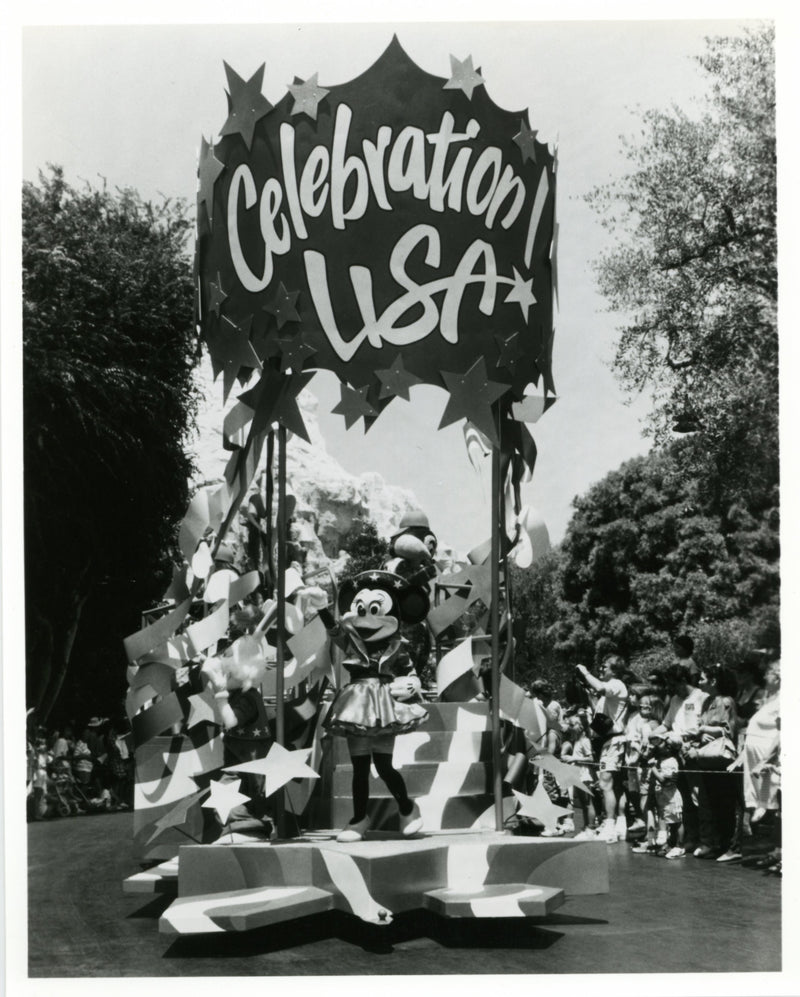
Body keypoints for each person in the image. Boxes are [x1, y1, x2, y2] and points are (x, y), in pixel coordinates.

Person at [685, 666, 739, 859]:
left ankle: (726, 844)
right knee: (708, 800)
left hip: (720, 758)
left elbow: (728, 729)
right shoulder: (707, 701)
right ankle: (711, 842)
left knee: (724, 801)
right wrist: (701, 735)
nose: (699, 682)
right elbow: (701, 726)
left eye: (702, 679)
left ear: (713, 681)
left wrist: (705, 731)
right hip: (705, 756)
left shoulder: (726, 702)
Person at [576, 656, 629, 843]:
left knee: (605, 783)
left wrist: (585, 672)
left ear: (614, 670)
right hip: (605, 740)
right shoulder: (607, 693)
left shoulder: (616, 684)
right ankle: (619, 824)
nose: (601, 669)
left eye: (604, 667)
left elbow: (600, 687)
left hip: (614, 740)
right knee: (614, 786)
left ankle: (610, 825)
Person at [658, 663, 708, 855]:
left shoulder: (701, 697)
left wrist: (689, 741)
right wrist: (654, 735)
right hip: (675, 752)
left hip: (693, 750)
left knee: (698, 798)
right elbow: (666, 724)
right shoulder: (674, 700)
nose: (672, 689)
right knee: (684, 799)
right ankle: (690, 838)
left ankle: (705, 840)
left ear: (683, 680)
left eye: (674, 684)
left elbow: (702, 727)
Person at [632, 731, 684, 858]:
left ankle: (680, 846)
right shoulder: (662, 759)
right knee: (668, 820)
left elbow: (664, 781)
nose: (660, 746)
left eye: (664, 744)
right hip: (662, 796)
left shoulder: (671, 761)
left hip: (671, 797)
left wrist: (653, 767)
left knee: (676, 822)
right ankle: (669, 845)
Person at [561, 713, 596, 837]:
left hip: (583, 773)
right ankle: (586, 827)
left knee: (587, 802)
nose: (570, 727)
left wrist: (573, 758)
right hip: (577, 772)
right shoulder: (576, 740)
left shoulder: (585, 740)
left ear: (580, 726)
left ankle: (590, 828)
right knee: (582, 802)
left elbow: (591, 758)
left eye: (572, 724)